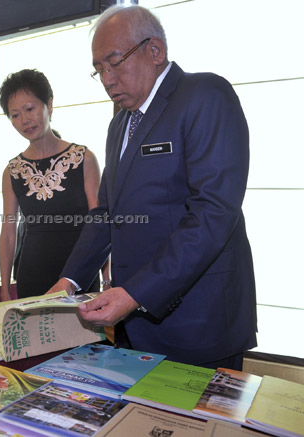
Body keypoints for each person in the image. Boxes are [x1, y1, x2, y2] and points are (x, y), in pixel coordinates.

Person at [48, 5, 257, 370]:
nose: (108, 79)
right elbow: (107, 213)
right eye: (99, 70)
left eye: (115, 63)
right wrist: (69, 280)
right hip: (133, 318)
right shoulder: (120, 126)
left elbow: (213, 211)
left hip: (197, 318)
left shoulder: (204, 95)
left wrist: (136, 293)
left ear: (155, 51)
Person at [0, 69, 101, 301]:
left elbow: (99, 223)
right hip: (32, 275)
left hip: (79, 276)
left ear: (49, 105)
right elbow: (8, 233)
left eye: (30, 109)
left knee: (87, 338)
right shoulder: (12, 170)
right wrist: (5, 288)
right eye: (14, 114)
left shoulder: (84, 158)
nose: (24, 120)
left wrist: (106, 273)